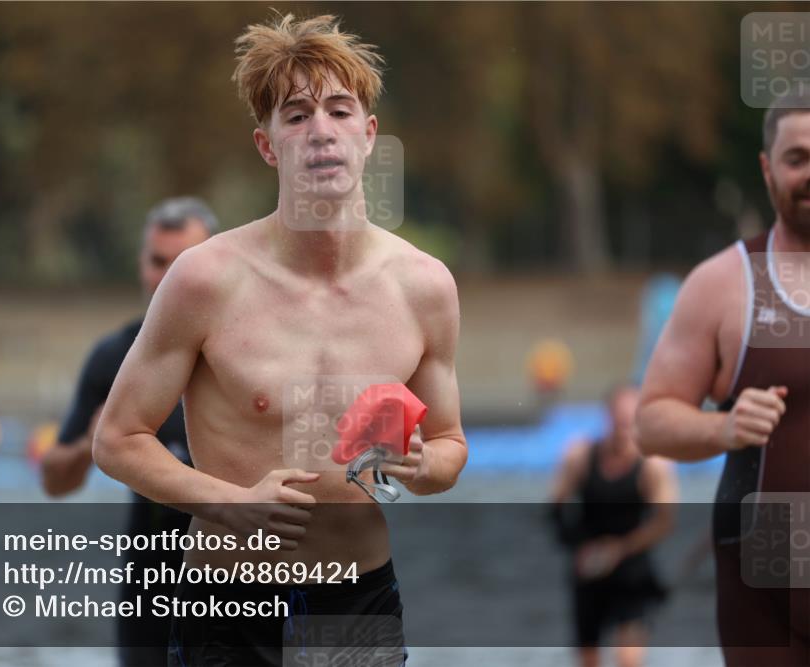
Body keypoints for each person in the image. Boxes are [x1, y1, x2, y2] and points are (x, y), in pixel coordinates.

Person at [92, 12, 468, 667]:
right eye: (296, 116)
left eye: (339, 111)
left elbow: (451, 447)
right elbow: (117, 438)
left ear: (369, 134)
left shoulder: (424, 286)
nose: (320, 130)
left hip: (357, 600)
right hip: (229, 602)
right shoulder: (205, 279)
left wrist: (421, 465)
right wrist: (232, 502)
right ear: (268, 145)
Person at [636, 92, 810, 666]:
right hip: (765, 593)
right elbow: (652, 422)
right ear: (767, 168)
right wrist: (725, 428)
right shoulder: (722, 285)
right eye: (797, 158)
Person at [40, 196, 218, 667]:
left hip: (238, 582)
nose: (167, 279)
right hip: (150, 590)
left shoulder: (245, 355)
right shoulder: (115, 358)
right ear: (141, 263)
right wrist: (89, 444)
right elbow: (55, 482)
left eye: (182, 263)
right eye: (158, 262)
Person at [551, 385, 678, 667]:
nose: (624, 429)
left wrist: (618, 549)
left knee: (628, 660)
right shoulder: (580, 456)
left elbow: (663, 523)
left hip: (632, 569)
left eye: (630, 422)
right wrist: (579, 547)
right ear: (607, 417)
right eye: (618, 420)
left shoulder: (654, 466)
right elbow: (555, 509)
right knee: (588, 659)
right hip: (589, 567)